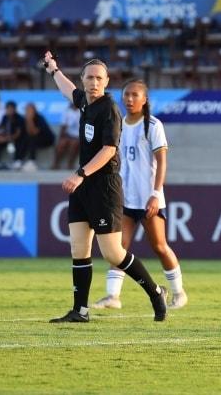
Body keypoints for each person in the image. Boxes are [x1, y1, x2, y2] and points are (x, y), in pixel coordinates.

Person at [42, 51, 167, 323]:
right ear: (84, 80)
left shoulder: (109, 109)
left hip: (103, 186)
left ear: (107, 81)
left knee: (112, 252)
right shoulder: (85, 102)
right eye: (90, 77)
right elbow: (69, 90)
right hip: (84, 186)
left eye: (99, 78)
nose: (94, 82)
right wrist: (53, 69)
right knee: (79, 249)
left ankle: (156, 292)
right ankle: (80, 311)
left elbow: (109, 150)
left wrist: (80, 173)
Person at [91, 79, 188, 311]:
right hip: (123, 197)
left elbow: (162, 162)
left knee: (159, 246)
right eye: (126, 95)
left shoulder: (152, 125)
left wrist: (156, 193)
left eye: (135, 95)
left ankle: (178, 292)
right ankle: (112, 296)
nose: (130, 99)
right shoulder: (118, 124)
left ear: (145, 100)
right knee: (118, 247)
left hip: (148, 199)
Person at [0, 101, 25, 170]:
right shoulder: (5, 117)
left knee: (20, 142)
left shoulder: (19, 118)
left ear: (15, 109)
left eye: (11, 109)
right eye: (8, 109)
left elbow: (18, 133)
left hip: (16, 139)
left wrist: (7, 138)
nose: (9, 110)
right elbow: (1, 129)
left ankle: (17, 161)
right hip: (7, 139)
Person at [20, 102, 54, 171]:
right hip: (36, 138)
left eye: (29, 110)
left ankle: (32, 161)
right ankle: (19, 160)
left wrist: (30, 120)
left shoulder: (39, 118)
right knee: (25, 139)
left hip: (47, 139)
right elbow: (28, 132)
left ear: (34, 110)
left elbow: (35, 132)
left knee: (32, 139)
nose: (27, 112)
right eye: (26, 110)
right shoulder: (25, 119)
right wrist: (28, 120)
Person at [51, 102, 81, 170]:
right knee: (61, 144)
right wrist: (61, 138)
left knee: (74, 144)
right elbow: (63, 126)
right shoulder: (66, 111)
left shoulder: (82, 111)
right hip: (68, 135)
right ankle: (55, 163)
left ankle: (70, 164)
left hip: (79, 136)